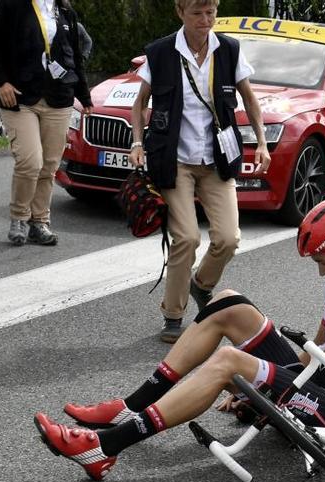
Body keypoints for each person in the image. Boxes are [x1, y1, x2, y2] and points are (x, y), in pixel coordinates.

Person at [33, 195, 325, 481]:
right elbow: (318, 353)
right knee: (230, 302)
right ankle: (129, 407)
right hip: (317, 382)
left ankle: (105, 446)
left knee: (229, 361)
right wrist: (264, 384)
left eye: (324, 262)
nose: (322, 272)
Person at [127, 0, 271, 342]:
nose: (205, 21)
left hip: (216, 160)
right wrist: (136, 142)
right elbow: (139, 103)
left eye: (210, 13)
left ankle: (200, 284)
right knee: (187, 238)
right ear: (179, 12)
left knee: (228, 238)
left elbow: (249, 100)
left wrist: (262, 143)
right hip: (174, 160)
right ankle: (173, 315)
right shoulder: (161, 53)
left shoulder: (230, 50)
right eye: (196, 14)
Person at [0, 0, 93, 246]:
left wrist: (85, 96)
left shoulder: (65, 10)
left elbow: (75, 57)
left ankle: (39, 222)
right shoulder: (9, 5)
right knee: (30, 161)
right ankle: (19, 217)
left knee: (49, 165)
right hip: (19, 96)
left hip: (59, 97)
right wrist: (0, 82)